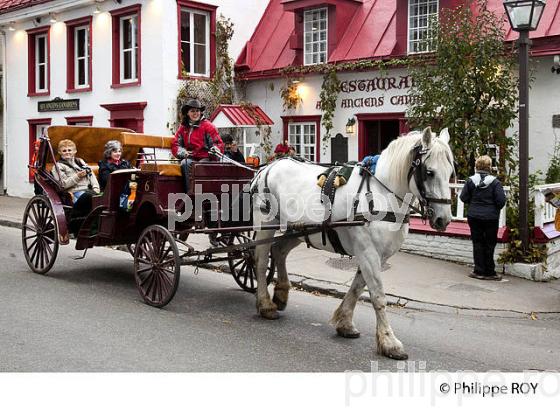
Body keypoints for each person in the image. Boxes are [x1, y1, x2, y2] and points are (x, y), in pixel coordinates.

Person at [460, 155, 506, 281]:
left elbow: (463, 198)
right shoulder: (495, 182)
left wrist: (473, 203)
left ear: (476, 166)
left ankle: (478, 270)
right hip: (491, 217)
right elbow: (501, 201)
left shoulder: (470, 181)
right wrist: (493, 208)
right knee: (490, 243)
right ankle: (490, 272)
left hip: (474, 216)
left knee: (477, 242)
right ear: (489, 167)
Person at [171, 98, 224, 192]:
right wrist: (183, 152)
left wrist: (214, 150)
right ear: (187, 113)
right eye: (192, 111)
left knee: (198, 166)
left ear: (200, 112)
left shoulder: (208, 126)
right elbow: (175, 144)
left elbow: (218, 143)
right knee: (185, 163)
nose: (195, 113)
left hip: (206, 157)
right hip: (191, 157)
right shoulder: (183, 128)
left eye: (197, 111)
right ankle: (190, 192)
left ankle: (203, 191)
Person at [55, 139, 100, 223]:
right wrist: (77, 176)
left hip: (89, 191)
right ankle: (76, 221)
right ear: (60, 152)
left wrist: (96, 188)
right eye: (64, 151)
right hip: (73, 193)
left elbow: (91, 174)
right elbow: (63, 184)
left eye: (69, 150)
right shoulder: (58, 166)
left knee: (101, 197)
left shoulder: (80, 161)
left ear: (75, 151)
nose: (67, 152)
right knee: (89, 197)